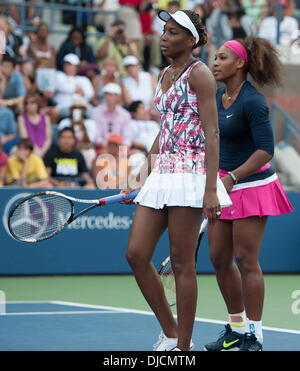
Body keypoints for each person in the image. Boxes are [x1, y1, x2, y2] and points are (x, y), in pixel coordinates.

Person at [122, 9, 232, 351]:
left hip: (191, 174)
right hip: (164, 170)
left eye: (172, 32)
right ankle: (170, 331)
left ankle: (183, 348)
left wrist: (211, 188)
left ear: (190, 40)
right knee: (136, 255)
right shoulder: (164, 73)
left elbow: (212, 132)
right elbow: (166, 129)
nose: (164, 37)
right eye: (163, 32)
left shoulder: (199, 74)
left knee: (182, 263)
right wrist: (143, 171)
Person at [204, 37, 294, 351]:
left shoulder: (254, 101)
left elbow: (265, 151)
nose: (215, 62)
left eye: (222, 57)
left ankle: (254, 335)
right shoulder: (216, 97)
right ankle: (236, 329)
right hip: (222, 185)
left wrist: (233, 177)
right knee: (218, 258)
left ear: (240, 64)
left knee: (245, 260)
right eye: (215, 57)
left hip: (251, 186)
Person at [92, 82, 133, 153]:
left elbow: (127, 137)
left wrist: (120, 148)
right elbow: (96, 135)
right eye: (106, 94)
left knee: (131, 157)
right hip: (102, 147)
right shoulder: (96, 112)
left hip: (120, 148)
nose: (108, 97)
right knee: (103, 157)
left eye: (111, 95)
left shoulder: (125, 114)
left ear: (118, 97)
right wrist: (108, 147)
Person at [53, 53, 94, 119]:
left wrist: (74, 90)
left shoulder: (83, 79)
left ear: (77, 67)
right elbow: (62, 87)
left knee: (94, 113)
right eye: (68, 65)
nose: (70, 68)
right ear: (64, 66)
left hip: (83, 106)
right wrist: (76, 89)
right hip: (64, 107)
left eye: (73, 66)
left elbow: (90, 94)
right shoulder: (59, 75)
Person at [18, 93, 52, 157]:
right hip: (29, 149)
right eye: (27, 103)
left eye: (32, 102)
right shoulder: (22, 118)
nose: (29, 105)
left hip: (44, 150)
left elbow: (48, 139)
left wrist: (42, 151)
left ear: (38, 104)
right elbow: (25, 137)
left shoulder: (46, 118)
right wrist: (36, 150)